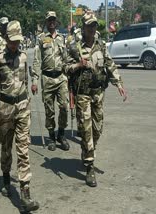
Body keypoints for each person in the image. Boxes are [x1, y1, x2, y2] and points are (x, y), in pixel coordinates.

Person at [66, 13, 127, 187]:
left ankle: (87, 150)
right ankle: (89, 166)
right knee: (86, 130)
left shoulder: (101, 45)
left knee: (97, 129)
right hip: (83, 94)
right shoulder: (73, 46)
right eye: (88, 26)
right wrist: (78, 64)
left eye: (94, 26)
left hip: (98, 93)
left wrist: (119, 83)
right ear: (83, 27)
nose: (92, 29)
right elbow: (65, 67)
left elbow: (110, 64)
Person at [0, 20, 39, 212]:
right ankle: (6, 177)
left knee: (23, 148)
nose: (15, 45)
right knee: (6, 147)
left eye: (17, 41)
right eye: (12, 41)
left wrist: (30, 97)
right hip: (5, 108)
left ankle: (25, 193)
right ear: (6, 38)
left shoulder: (24, 56)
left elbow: (26, 80)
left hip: (23, 107)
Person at [31, 11, 70, 151]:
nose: (51, 22)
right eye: (49, 20)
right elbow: (36, 60)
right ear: (46, 22)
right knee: (49, 110)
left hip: (61, 78)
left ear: (56, 21)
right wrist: (34, 80)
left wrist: (69, 75)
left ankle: (61, 134)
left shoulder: (61, 38)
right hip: (47, 78)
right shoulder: (41, 38)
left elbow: (66, 58)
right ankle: (51, 137)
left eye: (53, 19)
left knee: (64, 107)